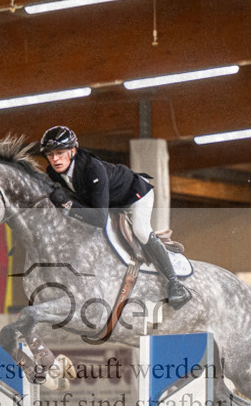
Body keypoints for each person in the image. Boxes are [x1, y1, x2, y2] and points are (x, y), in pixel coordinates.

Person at [38, 125, 190, 308]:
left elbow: (99, 219)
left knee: (141, 230)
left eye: (60, 153)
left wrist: (67, 204)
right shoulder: (52, 172)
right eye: (50, 154)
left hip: (134, 195)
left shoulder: (92, 168)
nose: (55, 159)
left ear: (73, 151)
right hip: (108, 203)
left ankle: (175, 284)